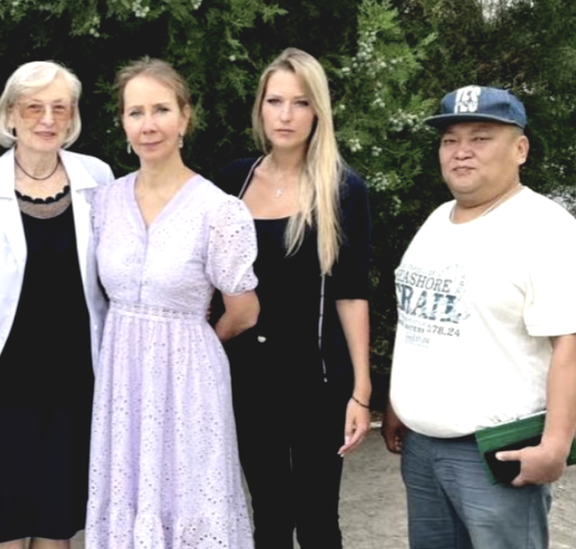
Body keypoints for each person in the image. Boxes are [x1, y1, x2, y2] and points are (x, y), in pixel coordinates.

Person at [382, 86, 576, 549]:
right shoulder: (437, 220)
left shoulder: (549, 231)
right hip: (421, 448)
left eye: (480, 138)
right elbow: (419, 318)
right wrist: (399, 403)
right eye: (449, 140)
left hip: (495, 450)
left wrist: (556, 445)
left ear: (520, 149)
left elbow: (574, 347)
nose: (461, 152)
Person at [84, 58, 259, 549]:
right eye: (135, 112)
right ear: (122, 123)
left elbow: (245, 310)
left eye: (161, 109)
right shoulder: (103, 202)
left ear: (185, 117)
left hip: (189, 379)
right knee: (129, 490)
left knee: (190, 498)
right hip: (121, 376)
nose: (148, 124)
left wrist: (200, 337)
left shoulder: (218, 209)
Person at [215, 47, 373, 549]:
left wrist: (362, 390)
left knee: (318, 519)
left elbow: (351, 293)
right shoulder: (231, 181)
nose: (286, 115)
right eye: (275, 101)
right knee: (269, 516)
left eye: (300, 102)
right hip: (246, 375)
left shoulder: (343, 189)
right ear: (260, 107)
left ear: (317, 111)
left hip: (318, 378)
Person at [0, 61, 113, 548]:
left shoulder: (99, 179)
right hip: (2, 386)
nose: (47, 119)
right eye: (34, 107)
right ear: (11, 115)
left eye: (59, 108)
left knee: (57, 529)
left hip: (74, 385)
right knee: (0, 527)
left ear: (72, 118)